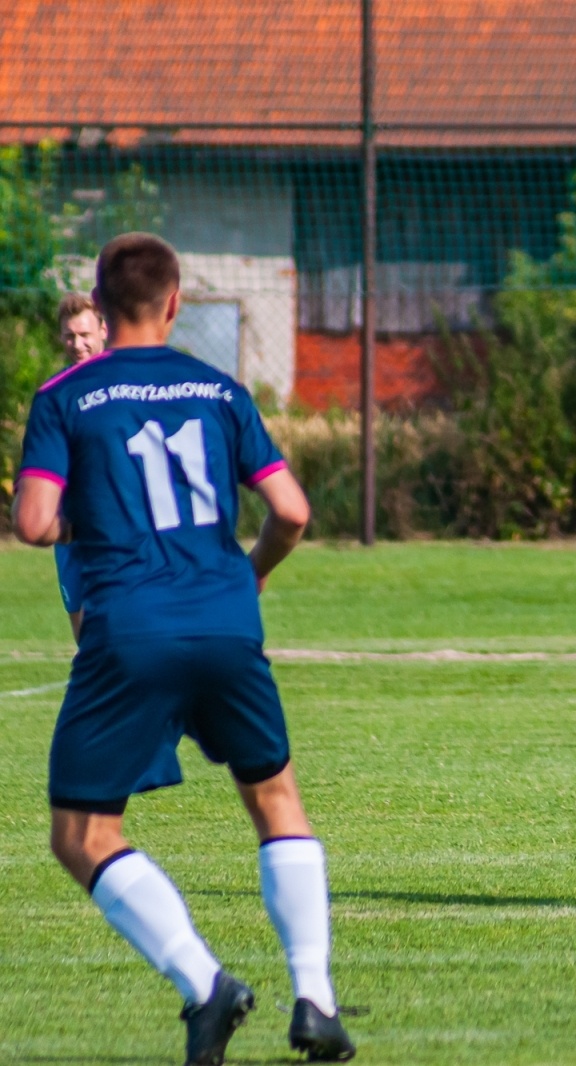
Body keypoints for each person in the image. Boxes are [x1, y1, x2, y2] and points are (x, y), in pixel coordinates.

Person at [12, 234, 355, 1063]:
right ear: (175, 304)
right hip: (226, 618)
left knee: (81, 832)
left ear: (100, 299)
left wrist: (94, 514)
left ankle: (206, 985)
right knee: (275, 799)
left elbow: (31, 524)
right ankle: (315, 998)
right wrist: (251, 574)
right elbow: (293, 511)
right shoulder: (220, 389)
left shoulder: (66, 395)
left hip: (127, 626)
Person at [52, 292, 108, 643]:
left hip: (118, 528)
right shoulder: (55, 396)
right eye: (70, 336)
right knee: (85, 637)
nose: (78, 344)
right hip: (72, 530)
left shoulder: (126, 385)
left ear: (103, 330)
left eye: (85, 335)